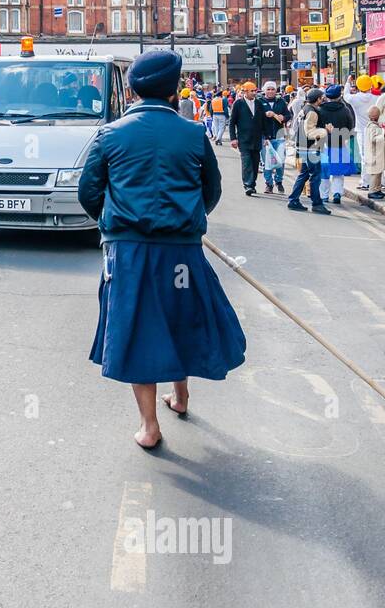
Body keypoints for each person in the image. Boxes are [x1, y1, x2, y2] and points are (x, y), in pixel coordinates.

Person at [77, 50, 245, 450]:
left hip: (130, 252)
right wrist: (187, 219)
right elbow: (213, 191)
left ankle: (149, 426)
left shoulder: (111, 134)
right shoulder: (193, 134)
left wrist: (112, 220)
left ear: (132, 89)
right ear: (175, 90)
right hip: (181, 252)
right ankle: (181, 396)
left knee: (139, 329)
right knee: (180, 316)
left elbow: (88, 193)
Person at [287, 89, 331, 215]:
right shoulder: (312, 112)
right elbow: (310, 132)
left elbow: (296, 126)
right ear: (317, 99)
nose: (323, 99)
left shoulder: (304, 109)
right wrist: (325, 131)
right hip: (310, 148)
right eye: (322, 97)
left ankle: (293, 200)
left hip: (302, 147)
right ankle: (317, 204)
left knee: (304, 174)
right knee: (315, 176)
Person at [317, 84, 358, 204]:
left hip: (323, 144)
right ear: (339, 96)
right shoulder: (345, 110)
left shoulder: (320, 110)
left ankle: (324, 195)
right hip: (339, 144)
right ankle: (337, 193)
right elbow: (350, 126)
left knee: (324, 172)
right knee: (338, 172)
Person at [228, 81, 264, 196]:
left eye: (255, 91)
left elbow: (263, 121)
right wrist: (233, 138)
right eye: (252, 91)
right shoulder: (238, 104)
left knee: (255, 163)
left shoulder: (259, 103)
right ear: (245, 92)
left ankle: (252, 184)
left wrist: (267, 136)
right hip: (243, 139)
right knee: (246, 162)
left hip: (257, 139)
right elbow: (232, 122)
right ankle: (248, 185)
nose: (254, 93)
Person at [257, 81, 290, 194]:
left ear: (276, 90)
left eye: (272, 89)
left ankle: (279, 181)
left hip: (279, 135)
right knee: (267, 162)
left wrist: (283, 117)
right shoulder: (259, 101)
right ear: (264, 90)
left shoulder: (281, 101)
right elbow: (255, 117)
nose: (270, 91)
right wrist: (264, 115)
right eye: (268, 89)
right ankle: (269, 184)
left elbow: (288, 115)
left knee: (280, 161)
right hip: (265, 137)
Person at [347, 75, 378, 189]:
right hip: (375, 129)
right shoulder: (376, 98)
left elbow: (345, 95)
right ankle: (380, 182)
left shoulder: (354, 99)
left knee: (364, 157)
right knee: (376, 156)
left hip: (361, 130)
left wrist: (347, 82)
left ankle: (365, 181)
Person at [363, 105, 385, 199]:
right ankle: (372, 191)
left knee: (378, 173)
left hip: (376, 154)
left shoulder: (373, 126)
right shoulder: (372, 127)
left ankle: (377, 189)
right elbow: (373, 139)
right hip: (374, 154)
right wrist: (383, 135)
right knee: (375, 174)